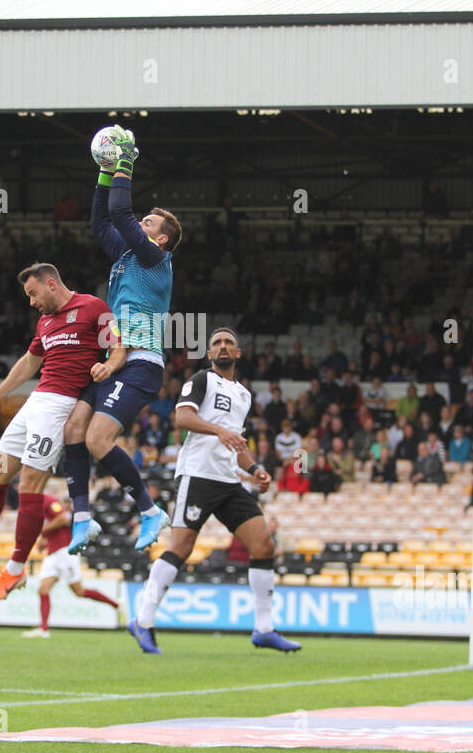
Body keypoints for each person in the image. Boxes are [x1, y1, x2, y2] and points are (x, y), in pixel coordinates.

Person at [0, 263, 123, 604]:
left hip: (60, 406)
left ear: (50, 284)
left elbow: (118, 348)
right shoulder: (45, 322)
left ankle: (15, 570)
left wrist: (108, 365)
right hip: (34, 403)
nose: (32, 302)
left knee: (30, 485)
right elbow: (30, 361)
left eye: (33, 294)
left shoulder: (93, 307)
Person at [127, 327, 301, 654]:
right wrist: (219, 430)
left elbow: (236, 441)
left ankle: (264, 629)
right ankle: (143, 619)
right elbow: (183, 417)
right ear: (209, 353)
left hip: (229, 480)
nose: (222, 347)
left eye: (229, 343)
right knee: (181, 547)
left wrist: (254, 469)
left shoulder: (245, 396)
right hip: (198, 474)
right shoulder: (203, 380)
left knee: (263, 544)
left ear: (237, 353)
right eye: (216, 343)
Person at [63, 124, 181, 554]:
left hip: (139, 361)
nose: (140, 221)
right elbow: (100, 220)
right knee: (73, 428)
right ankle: (81, 519)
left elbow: (119, 214)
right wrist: (104, 171)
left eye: (149, 221)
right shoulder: (129, 254)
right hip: (116, 355)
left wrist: (125, 163)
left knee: (96, 439)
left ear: (161, 237)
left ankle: (150, 511)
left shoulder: (155, 257)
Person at [21, 495, 121, 639]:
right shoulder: (36, 507)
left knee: (79, 591)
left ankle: (116, 604)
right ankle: (43, 629)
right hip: (52, 554)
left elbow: (64, 518)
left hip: (64, 552)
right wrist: (44, 541)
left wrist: (42, 530)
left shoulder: (48, 500)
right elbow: (51, 526)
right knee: (43, 589)